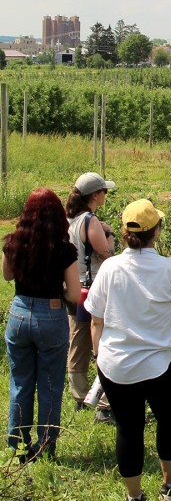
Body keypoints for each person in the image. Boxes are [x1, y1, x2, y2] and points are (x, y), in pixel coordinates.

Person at [84, 199, 171, 501]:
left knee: (128, 430)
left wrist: (100, 357)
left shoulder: (110, 268)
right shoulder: (168, 268)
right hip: (160, 364)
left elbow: (95, 319)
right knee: (168, 422)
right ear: (157, 231)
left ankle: (134, 496)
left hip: (115, 365)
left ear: (124, 232)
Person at [2, 189, 80, 461]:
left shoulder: (13, 242)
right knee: (49, 385)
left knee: (21, 383)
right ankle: (45, 446)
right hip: (51, 314)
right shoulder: (64, 249)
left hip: (20, 312)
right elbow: (72, 294)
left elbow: (7, 276)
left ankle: (17, 446)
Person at [65, 172, 116, 423]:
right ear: (95, 195)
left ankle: (78, 393)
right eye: (104, 191)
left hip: (73, 286)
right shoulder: (90, 220)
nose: (106, 194)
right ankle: (102, 398)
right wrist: (109, 234)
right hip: (93, 286)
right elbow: (106, 253)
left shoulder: (70, 220)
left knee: (77, 340)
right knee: (101, 341)